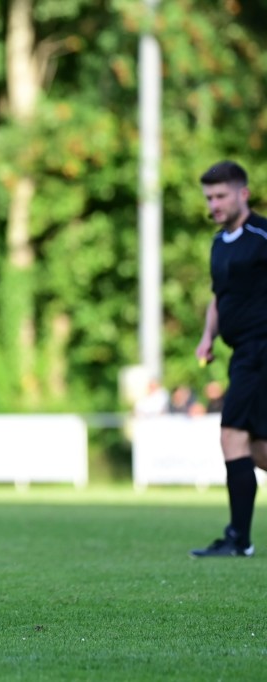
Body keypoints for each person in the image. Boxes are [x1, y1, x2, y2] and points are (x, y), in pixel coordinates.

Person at [191, 160, 267, 558]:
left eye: (221, 195)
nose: (214, 204)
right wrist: (207, 337)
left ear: (243, 194)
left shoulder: (263, 235)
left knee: (231, 434)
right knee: (257, 449)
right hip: (242, 354)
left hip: (263, 350)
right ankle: (239, 539)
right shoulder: (219, 243)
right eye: (209, 197)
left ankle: (238, 539)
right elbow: (219, 298)